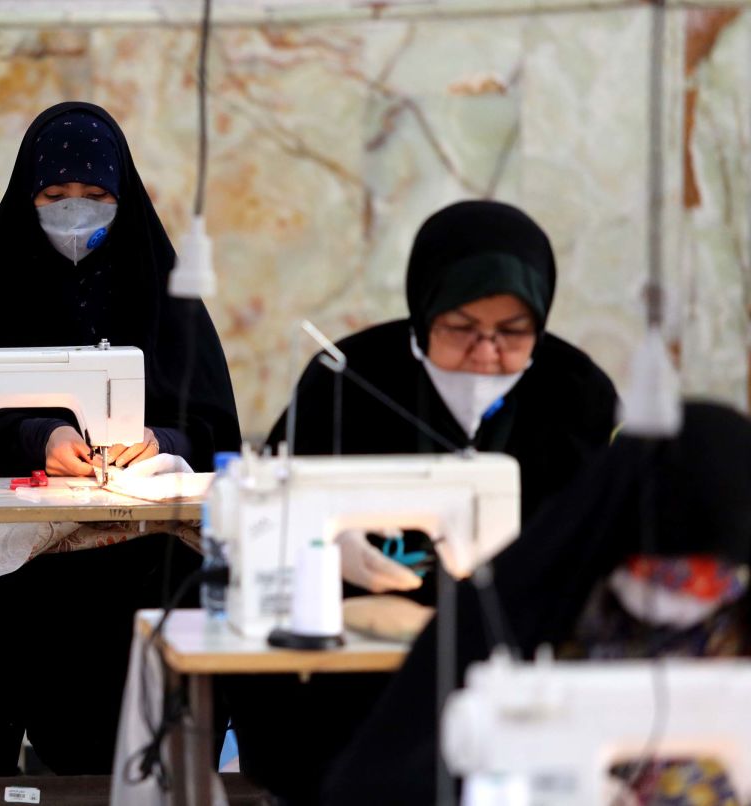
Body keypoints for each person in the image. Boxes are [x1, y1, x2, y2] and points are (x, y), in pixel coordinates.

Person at [226, 200, 619, 803]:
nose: (487, 353)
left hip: (513, 652)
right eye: (461, 328)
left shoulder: (576, 393)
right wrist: (326, 544)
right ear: (424, 309)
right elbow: (267, 502)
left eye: (513, 332)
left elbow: (590, 534)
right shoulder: (345, 378)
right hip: (348, 661)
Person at [0, 101, 242, 777]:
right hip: (26, 548)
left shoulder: (163, 290)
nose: (76, 212)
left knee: (185, 598)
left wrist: (160, 440)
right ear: (26, 196)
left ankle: (147, 775)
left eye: (96, 196)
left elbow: (214, 425)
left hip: (150, 545)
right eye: (55, 196)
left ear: (122, 198)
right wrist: (37, 435)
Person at [322, 402, 751, 803]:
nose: (683, 593)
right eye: (664, 572)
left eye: (713, 578)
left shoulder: (738, 623)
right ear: (616, 532)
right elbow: (388, 773)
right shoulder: (519, 607)